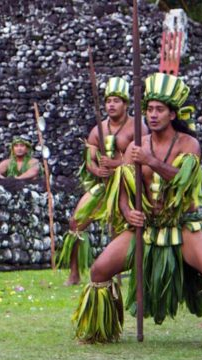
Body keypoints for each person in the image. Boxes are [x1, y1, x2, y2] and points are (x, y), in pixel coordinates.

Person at [71, 72, 202, 347]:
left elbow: (186, 180)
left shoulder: (189, 144)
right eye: (149, 109)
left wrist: (151, 160)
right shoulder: (137, 146)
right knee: (100, 270)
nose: (152, 115)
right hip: (145, 226)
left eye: (159, 110)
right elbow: (123, 188)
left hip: (181, 225)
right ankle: (99, 331)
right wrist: (127, 212)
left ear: (172, 114)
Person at [57, 77, 141, 285]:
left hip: (127, 188)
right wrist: (98, 170)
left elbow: (142, 157)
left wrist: (115, 164)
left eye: (116, 101)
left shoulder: (137, 128)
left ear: (126, 104)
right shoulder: (98, 130)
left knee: (120, 228)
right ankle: (74, 273)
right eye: (108, 101)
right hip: (103, 187)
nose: (111, 105)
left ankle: (120, 274)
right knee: (76, 222)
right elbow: (89, 160)